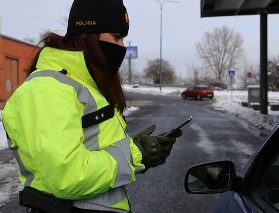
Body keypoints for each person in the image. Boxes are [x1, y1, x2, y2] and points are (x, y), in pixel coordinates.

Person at [1, 0, 182, 212]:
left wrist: (136, 147)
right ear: (88, 34)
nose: (122, 46)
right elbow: (66, 175)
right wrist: (136, 154)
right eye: (116, 37)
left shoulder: (86, 85)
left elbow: (95, 147)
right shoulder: (46, 90)